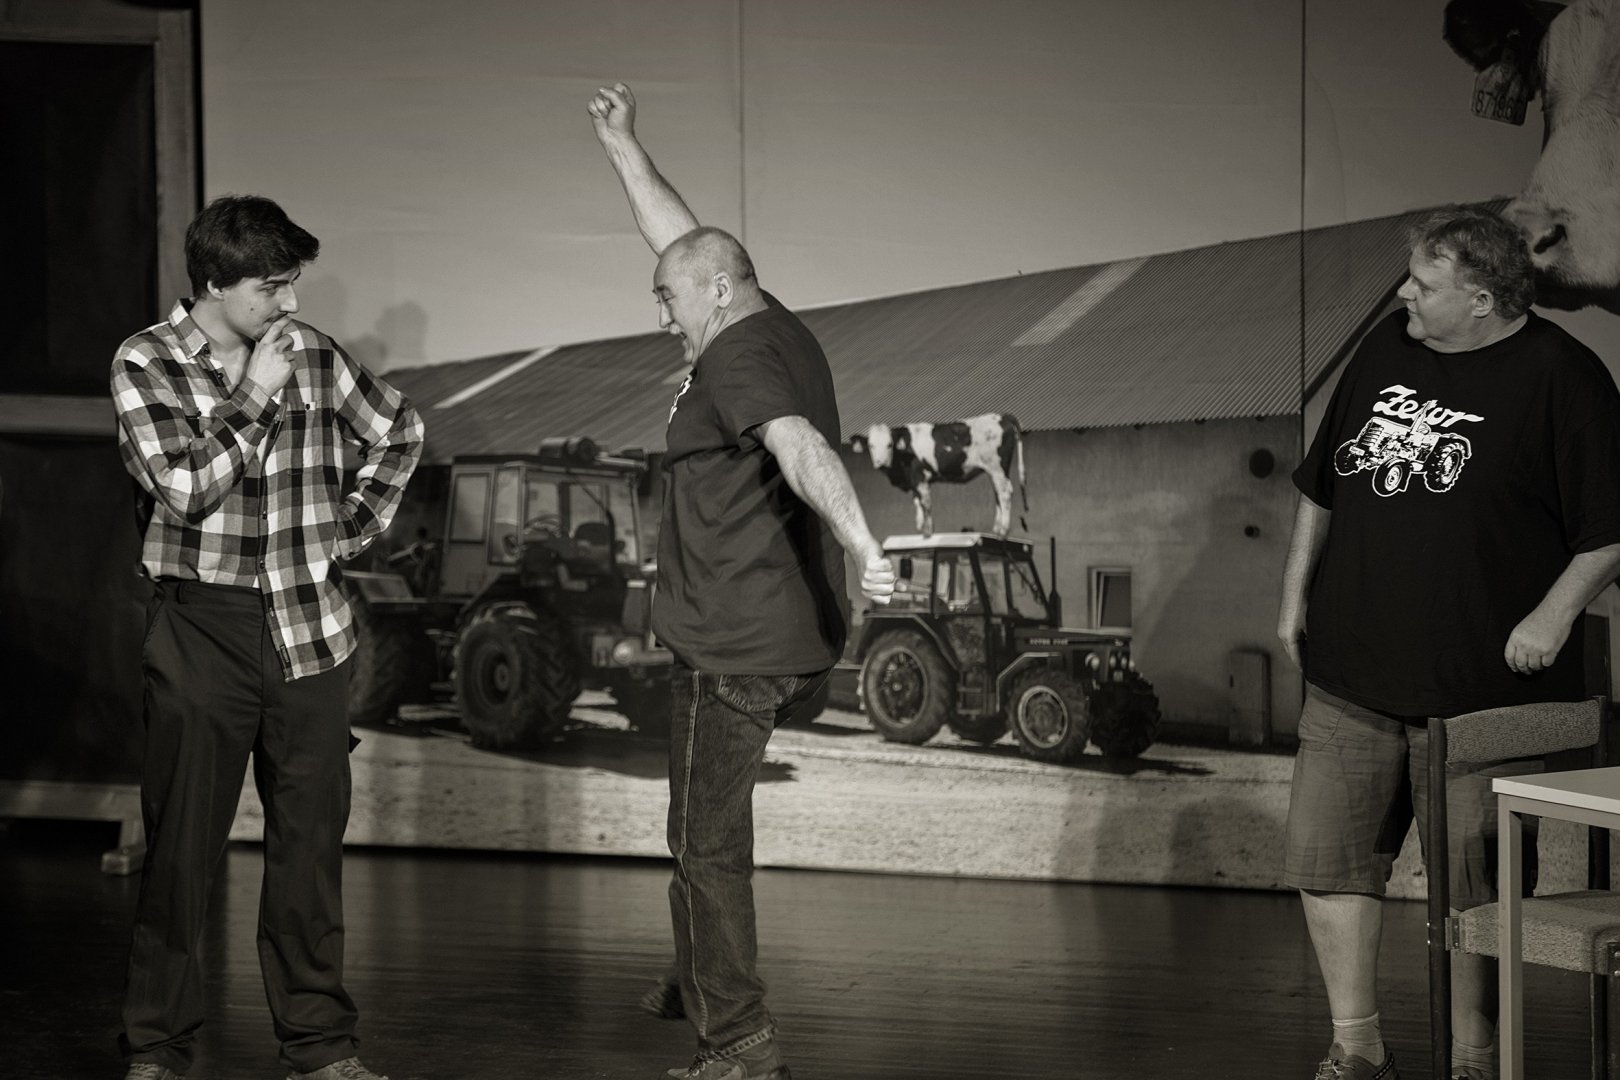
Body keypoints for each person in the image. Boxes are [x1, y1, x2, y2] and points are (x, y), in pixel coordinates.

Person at [587, 82, 897, 1080]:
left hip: (739, 649)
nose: (662, 315)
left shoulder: (735, 364)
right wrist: (623, 144)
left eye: (669, 301)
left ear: (716, 293)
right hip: (755, 636)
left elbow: (799, 446)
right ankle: (698, 976)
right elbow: (684, 242)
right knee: (697, 827)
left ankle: (740, 1043)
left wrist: (863, 538)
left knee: (706, 844)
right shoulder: (769, 322)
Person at [1278, 205, 1620, 1080]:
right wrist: (1291, 599)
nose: (1404, 294)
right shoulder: (1386, 351)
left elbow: (1610, 529)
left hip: (1482, 692)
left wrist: (1552, 617)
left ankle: (1475, 1058)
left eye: (1424, 284)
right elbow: (1320, 487)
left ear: (1481, 299)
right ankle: (1357, 1047)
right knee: (1328, 859)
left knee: (1477, 884)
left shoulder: (1564, 378)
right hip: (1351, 671)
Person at [111, 195, 424, 1080]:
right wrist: (252, 395)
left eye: (293, 285)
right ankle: (157, 1047)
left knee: (309, 851)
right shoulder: (147, 361)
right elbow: (184, 490)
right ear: (215, 282)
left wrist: (348, 529)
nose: (289, 304)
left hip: (309, 627)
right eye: (272, 287)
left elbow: (399, 430)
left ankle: (320, 1046)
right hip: (200, 626)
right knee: (181, 852)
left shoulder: (313, 353)